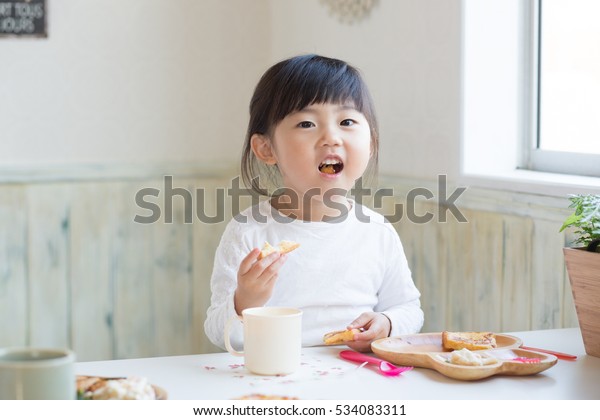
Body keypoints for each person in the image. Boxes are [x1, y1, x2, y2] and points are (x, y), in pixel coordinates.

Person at [204, 54, 423, 352]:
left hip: (356, 381)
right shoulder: (249, 233)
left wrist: (387, 322)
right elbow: (221, 333)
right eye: (307, 123)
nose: (331, 138)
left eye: (346, 121)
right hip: (274, 385)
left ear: (370, 144)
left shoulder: (376, 231)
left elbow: (409, 309)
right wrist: (245, 302)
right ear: (267, 148)